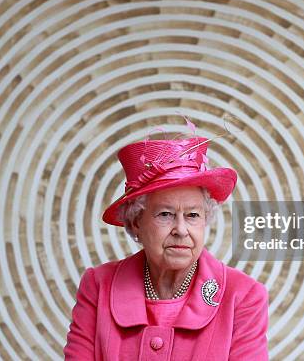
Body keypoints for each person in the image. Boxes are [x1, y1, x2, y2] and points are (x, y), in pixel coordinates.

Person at [64, 134, 269, 360]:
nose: (181, 230)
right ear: (136, 222)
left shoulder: (243, 295)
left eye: (192, 215)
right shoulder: (98, 286)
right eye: (165, 214)